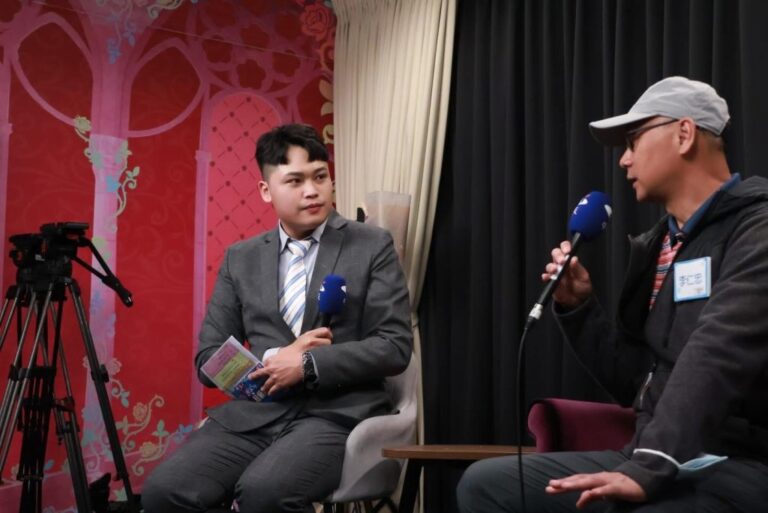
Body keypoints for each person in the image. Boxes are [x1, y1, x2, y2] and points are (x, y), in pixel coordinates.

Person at [457, 76, 768, 512]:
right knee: (485, 485)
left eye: (633, 140)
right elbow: (637, 383)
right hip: (651, 456)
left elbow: (717, 353)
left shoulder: (756, 229)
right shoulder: (659, 246)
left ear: (684, 134)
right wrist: (579, 309)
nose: (624, 159)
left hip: (735, 463)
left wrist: (648, 468)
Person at [142, 123, 413, 513]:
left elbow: (394, 346)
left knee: (264, 493)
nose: (312, 190)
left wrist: (307, 364)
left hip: (335, 415)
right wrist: (275, 359)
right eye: (295, 181)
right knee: (164, 491)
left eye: (320, 177)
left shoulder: (371, 245)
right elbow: (209, 358)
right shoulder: (241, 258)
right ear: (266, 190)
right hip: (255, 416)